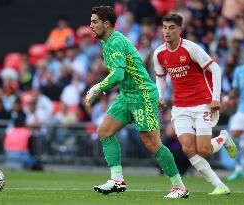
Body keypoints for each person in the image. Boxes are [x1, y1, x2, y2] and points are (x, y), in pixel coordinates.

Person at [86, 6, 188, 198]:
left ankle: (179, 187)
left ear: (106, 24)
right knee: (105, 131)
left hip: (142, 95)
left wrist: (97, 87)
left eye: (94, 22)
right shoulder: (107, 42)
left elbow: (118, 74)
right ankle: (117, 179)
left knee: (152, 144)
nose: (90, 25)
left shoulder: (115, 41)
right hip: (127, 95)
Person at [153, 13, 237, 195]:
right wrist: (160, 95)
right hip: (180, 107)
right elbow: (161, 78)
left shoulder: (191, 48)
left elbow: (215, 69)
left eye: (171, 28)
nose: (167, 31)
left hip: (202, 103)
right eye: (165, 27)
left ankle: (223, 138)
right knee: (188, 148)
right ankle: (220, 186)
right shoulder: (159, 53)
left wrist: (216, 97)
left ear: (179, 30)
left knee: (204, 149)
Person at [227, 64, 244, 181]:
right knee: (234, 136)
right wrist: (227, 98)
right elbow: (235, 90)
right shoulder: (239, 70)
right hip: (241, 109)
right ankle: (238, 169)